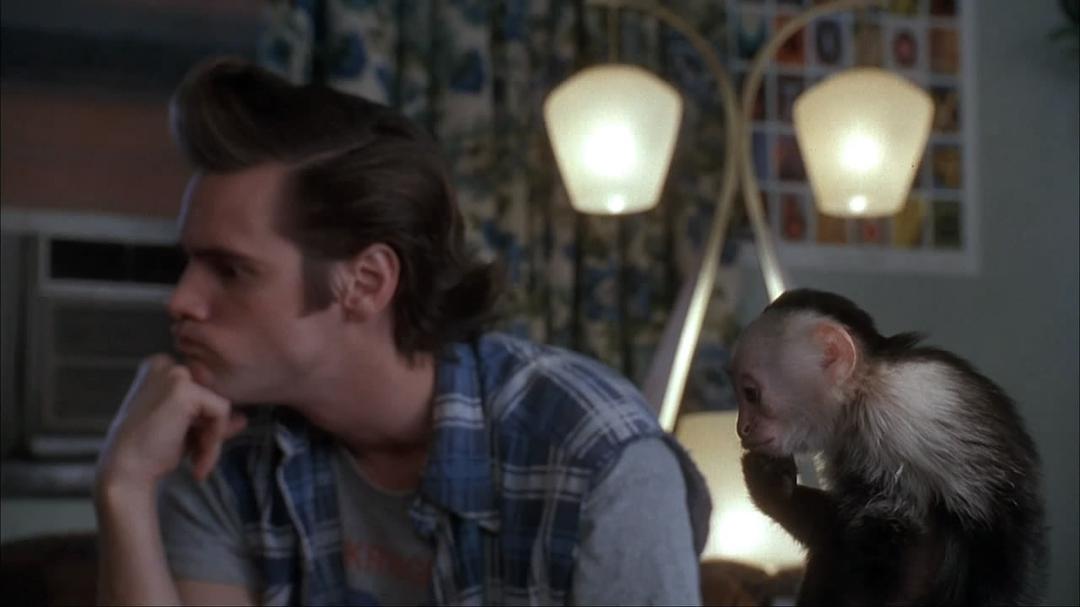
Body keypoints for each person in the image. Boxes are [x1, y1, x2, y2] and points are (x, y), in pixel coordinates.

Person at [94, 57, 711, 606]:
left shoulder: (595, 455)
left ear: (366, 282)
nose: (181, 300)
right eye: (189, 263)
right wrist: (123, 486)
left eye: (231, 270)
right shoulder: (219, 441)